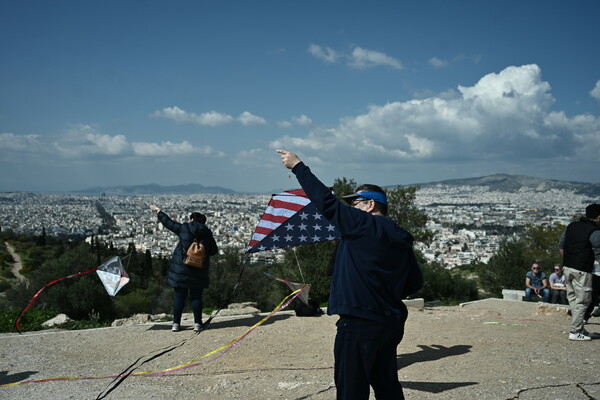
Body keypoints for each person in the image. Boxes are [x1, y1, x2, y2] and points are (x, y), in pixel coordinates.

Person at [276, 149, 423, 400]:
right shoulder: (400, 237)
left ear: (370, 204)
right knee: (386, 384)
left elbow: (327, 202)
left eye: (355, 203)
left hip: (358, 322)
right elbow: (414, 283)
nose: (351, 208)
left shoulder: (363, 224)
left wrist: (298, 166)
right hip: (390, 321)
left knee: (351, 388)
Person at [149, 204, 218, 332]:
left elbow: (168, 223)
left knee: (179, 296)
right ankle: (197, 324)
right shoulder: (207, 234)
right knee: (196, 297)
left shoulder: (184, 228)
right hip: (199, 270)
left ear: (191, 219)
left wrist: (158, 211)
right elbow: (214, 251)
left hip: (181, 269)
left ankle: (176, 324)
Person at [558, 203, 600, 341]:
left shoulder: (571, 226)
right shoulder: (595, 231)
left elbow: (561, 245)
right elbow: (598, 253)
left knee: (574, 300)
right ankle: (575, 331)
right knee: (583, 301)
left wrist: (569, 261)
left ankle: (579, 329)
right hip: (582, 270)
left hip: (567, 267)